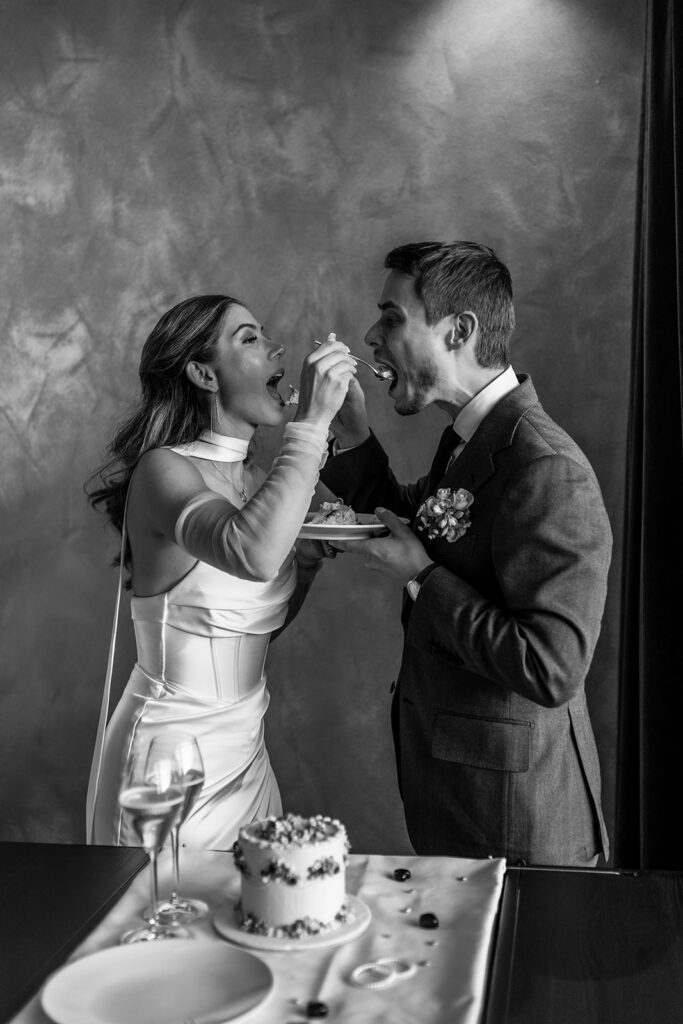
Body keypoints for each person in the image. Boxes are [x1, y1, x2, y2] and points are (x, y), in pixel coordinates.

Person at [322, 241, 612, 867]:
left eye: (393, 319)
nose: (372, 335)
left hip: (521, 824)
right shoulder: (470, 438)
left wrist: (423, 579)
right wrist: (352, 436)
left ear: (460, 331)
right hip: (463, 803)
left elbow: (552, 668)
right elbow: (411, 523)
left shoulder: (546, 467)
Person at [85, 294, 355, 849]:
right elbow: (250, 551)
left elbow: (256, 627)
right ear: (204, 373)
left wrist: (303, 567)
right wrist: (311, 425)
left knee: (252, 917)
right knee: (160, 921)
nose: (277, 347)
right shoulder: (165, 470)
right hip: (166, 760)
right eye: (250, 338)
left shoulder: (263, 480)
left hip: (248, 756)